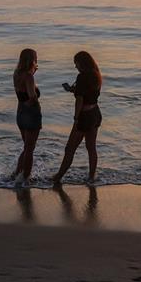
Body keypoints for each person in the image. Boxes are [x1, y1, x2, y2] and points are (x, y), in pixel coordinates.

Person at [51, 50, 102, 185]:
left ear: (82, 63)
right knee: (91, 147)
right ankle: (92, 176)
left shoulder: (82, 77)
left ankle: (58, 176)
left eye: (76, 63)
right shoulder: (96, 75)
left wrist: (76, 118)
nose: (75, 66)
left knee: (70, 148)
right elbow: (87, 93)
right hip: (95, 113)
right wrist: (73, 89)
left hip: (84, 116)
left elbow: (79, 100)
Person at [7, 48, 41, 185]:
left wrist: (32, 73)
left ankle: (17, 173)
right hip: (30, 113)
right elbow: (32, 96)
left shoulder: (17, 73)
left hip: (20, 113)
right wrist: (37, 106)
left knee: (27, 147)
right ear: (32, 60)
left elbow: (22, 92)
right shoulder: (28, 76)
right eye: (36, 58)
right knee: (30, 149)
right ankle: (25, 178)